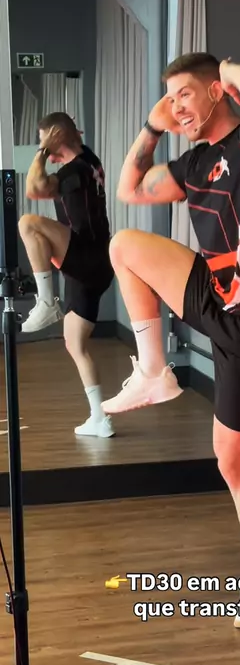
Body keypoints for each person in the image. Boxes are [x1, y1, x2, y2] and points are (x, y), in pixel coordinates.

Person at [102, 53, 240, 628]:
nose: (177, 106)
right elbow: (128, 188)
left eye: (185, 94)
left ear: (216, 92)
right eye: (171, 97)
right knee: (124, 244)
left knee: (233, 465)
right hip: (216, 294)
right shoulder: (193, 164)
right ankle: (154, 371)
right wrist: (153, 125)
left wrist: (229, 70)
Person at [19, 112, 115, 439]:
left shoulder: (74, 171)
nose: (47, 153)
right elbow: (71, 143)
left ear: (56, 140)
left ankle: (46, 301)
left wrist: (43, 150)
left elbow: (34, 189)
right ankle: (100, 418)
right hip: (93, 267)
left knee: (28, 223)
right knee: (75, 344)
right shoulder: (89, 159)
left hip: (87, 257)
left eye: (47, 142)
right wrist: (64, 136)